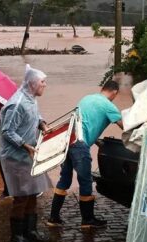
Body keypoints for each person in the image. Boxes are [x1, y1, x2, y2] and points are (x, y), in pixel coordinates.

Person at [46, 80, 123, 229]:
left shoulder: (86, 99)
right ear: (115, 93)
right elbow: (124, 126)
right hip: (80, 145)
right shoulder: (109, 106)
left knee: (65, 179)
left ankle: (53, 218)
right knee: (86, 180)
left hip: (68, 141)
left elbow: (82, 124)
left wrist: (96, 141)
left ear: (102, 88)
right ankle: (87, 220)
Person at [0, 64, 53, 242]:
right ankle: (16, 236)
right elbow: (7, 131)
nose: (45, 85)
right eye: (42, 82)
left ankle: (30, 231)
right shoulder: (17, 103)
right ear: (32, 84)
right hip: (16, 156)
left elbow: (35, 115)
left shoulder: (31, 98)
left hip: (28, 152)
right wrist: (25, 145)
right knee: (21, 196)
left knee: (32, 193)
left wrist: (43, 125)